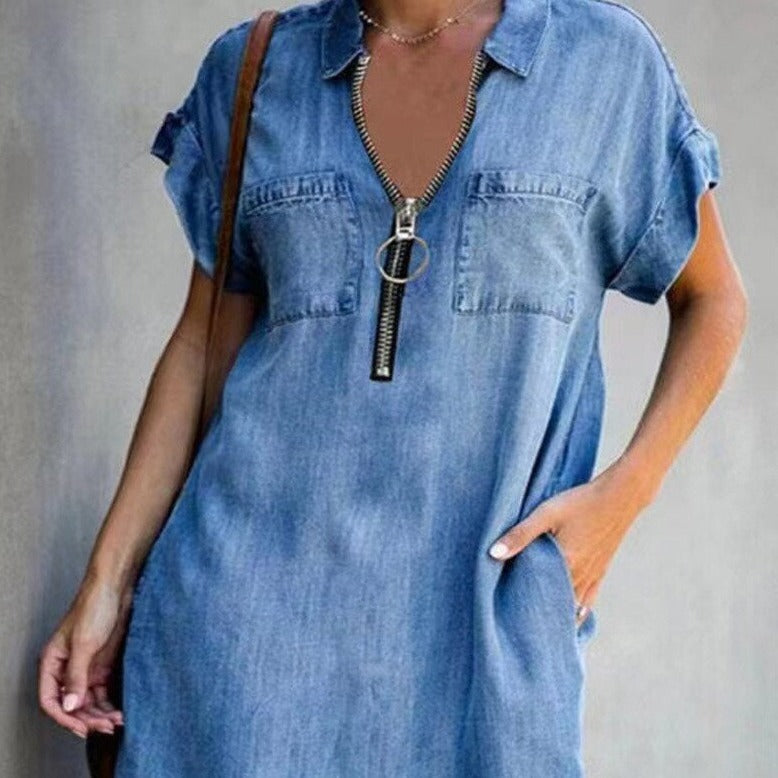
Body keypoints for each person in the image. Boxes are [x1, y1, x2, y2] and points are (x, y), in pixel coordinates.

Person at [38, 0, 747, 775]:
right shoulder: (255, 68)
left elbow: (714, 301)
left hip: (481, 637)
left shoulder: (604, 63)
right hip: (243, 648)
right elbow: (201, 342)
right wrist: (106, 582)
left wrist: (623, 498)